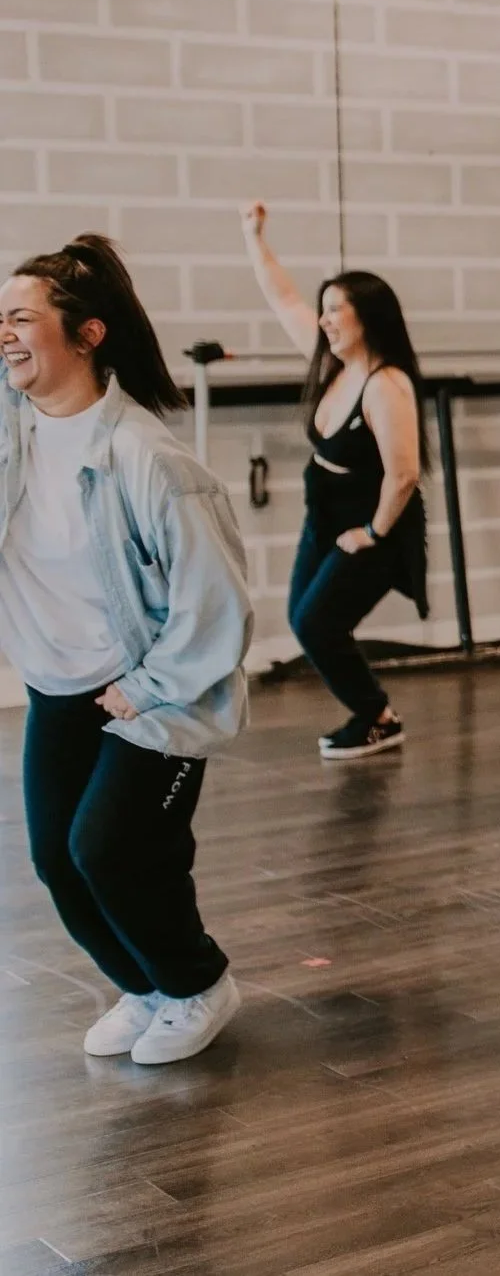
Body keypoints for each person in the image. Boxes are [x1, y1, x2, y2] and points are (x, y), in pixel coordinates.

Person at [1, 235, 251, 1063]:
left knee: (109, 847)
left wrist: (145, 688)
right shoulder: (13, 429)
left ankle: (197, 983)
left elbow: (217, 606)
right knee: (56, 859)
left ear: (87, 334)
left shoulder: (149, 459)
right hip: (56, 684)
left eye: (21, 318)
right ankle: (146, 986)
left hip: (152, 689)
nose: (4, 333)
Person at [241, 203, 429, 760]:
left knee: (317, 622)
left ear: (366, 316)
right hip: (325, 515)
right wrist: (254, 237)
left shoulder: (386, 385)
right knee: (305, 619)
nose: (323, 320)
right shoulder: (334, 368)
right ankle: (376, 714)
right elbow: (283, 298)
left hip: (374, 523)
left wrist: (372, 533)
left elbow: (405, 474)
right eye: (322, 310)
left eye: (334, 310)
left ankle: (377, 718)